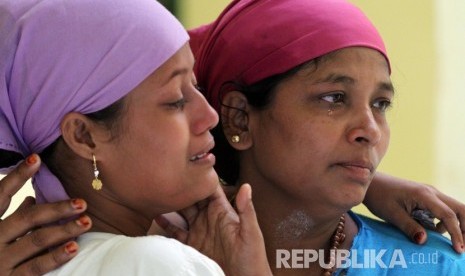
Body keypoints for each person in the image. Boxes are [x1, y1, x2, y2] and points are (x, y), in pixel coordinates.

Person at [163, 0, 465, 274]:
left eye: (380, 104)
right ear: (239, 119)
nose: (371, 130)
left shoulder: (437, 268)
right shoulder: (157, 257)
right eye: (334, 98)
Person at [0, 0, 272, 275]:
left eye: (196, 85)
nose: (210, 116)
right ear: (84, 136)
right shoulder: (153, 263)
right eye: (176, 101)